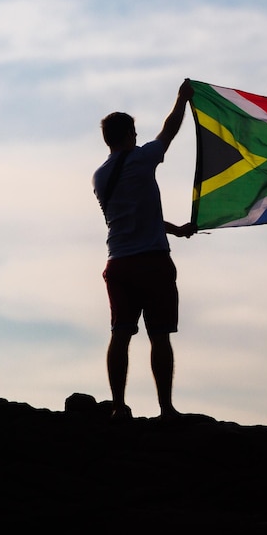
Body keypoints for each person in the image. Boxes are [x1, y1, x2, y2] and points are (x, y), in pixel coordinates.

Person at [93, 79, 195, 421]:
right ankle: (166, 408)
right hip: (151, 262)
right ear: (129, 136)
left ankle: (118, 405)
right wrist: (182, 100)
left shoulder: (101, 177)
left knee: (120, 333)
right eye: (134, 134)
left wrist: (175, 228)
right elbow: (169, 131)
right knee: (160, 336)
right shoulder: (143, 159)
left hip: (118, 263)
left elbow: (132, 215)